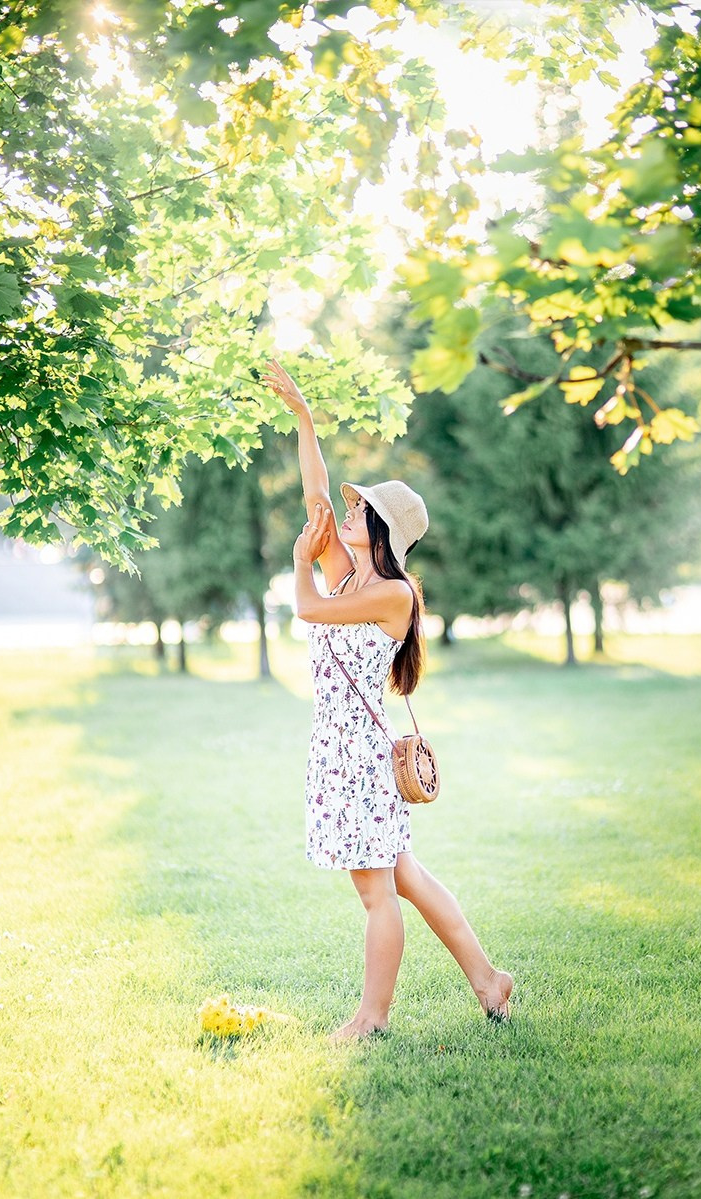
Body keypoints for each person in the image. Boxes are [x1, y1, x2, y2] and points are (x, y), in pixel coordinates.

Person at [262, 358, 514, 1041]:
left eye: (357, 509)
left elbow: (308, 609)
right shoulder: (351, 577)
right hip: (340, 754)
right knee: (406, 878)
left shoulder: (389, 593)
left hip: (361, 762)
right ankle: (490, 981)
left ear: (380, 530)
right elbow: (316, 500)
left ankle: (372, 1018)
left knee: (378, 891)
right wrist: (304, 417)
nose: (343, 513)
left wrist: (296, 563)